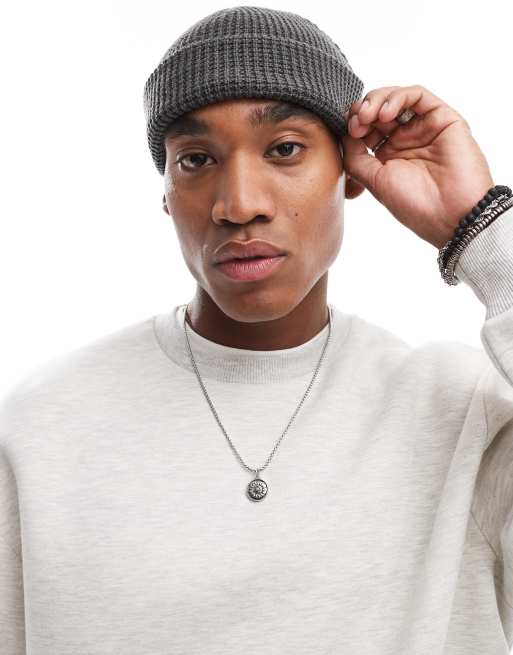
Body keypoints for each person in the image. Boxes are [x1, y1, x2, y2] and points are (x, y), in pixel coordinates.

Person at [1, 5, 513, 654]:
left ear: (349, 172)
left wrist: (481, 229)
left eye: (284, 149)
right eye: (196, 159)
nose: (239, 203)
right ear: (165, 193)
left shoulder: (464, 416)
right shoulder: (42, 426)